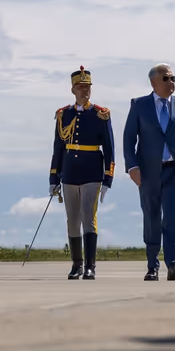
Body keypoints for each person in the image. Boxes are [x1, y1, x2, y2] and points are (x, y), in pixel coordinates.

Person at [123, 63, 175, 281]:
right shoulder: (139, 105)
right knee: (152, 217)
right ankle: (152, 266)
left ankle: (174, 264)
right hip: (148, 172)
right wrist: (132, 166)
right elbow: (129, 138)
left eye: (174, 78)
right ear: (153, 82)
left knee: (172, 217)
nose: (171, 83)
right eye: (166, 79)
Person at [49, 65, 115, 280]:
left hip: (92, 171)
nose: (84, 90)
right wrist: (53, 177)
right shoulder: (63, 115)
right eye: (80, 87)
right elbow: (58, 148)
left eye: (87, 87)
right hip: (69, 173)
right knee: (72, 220)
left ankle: (90, 266)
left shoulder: (100, 114)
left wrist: (108, 178)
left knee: (89, 216)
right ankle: (76, 265)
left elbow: (110, 147)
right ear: (72, 90)